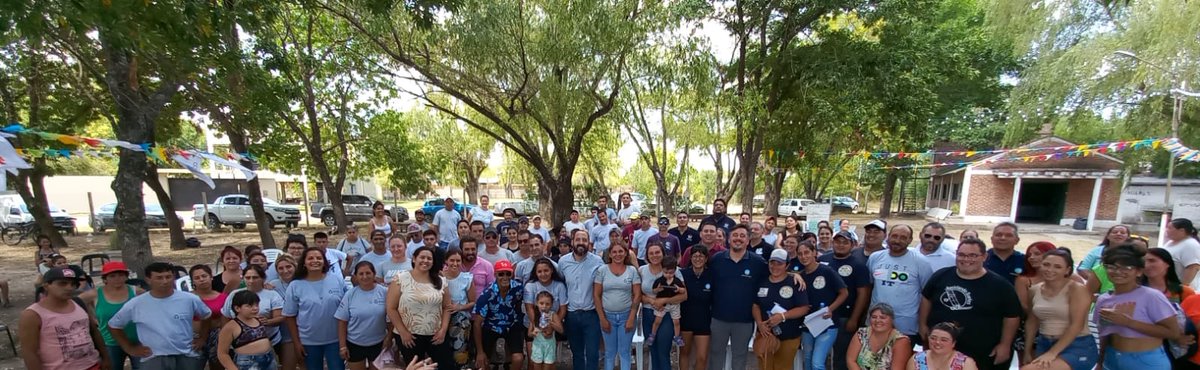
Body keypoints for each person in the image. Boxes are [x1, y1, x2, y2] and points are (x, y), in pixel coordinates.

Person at [921, 238, 1022, 370]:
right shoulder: (941, 276)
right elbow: (926, 299)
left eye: (973, 255)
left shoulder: (1000, 285)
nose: (966, 259)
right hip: (941, 346)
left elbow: (1012, 316)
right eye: (961, 255)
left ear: (984, 256)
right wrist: (922, 325)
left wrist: (1005, 345)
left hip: (982, 351)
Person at [110, 262, 213, 370]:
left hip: (186, 355)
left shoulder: (190, 299)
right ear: (148, 280)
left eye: (168, 277)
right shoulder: (136, 304)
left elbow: (206, 315)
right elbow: (114, 325)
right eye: (159, 278)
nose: (165, 281)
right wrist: (129, 348)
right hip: (153, 358)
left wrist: (202, 338)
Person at [1094, 244, 1182, 369]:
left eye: (1127, 267)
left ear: (1139, 271)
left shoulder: (1151, 296)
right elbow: (1105, 335)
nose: (1118, 272)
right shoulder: (1103, 299)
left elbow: (1173, 333)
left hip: (1145, 361)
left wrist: (1128, 322)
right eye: (1112, 266)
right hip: (1111, 359)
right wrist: (1100, 362)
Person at [1020, 249, 1097, 370]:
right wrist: (1027, 350)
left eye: (1057, 267)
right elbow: (1032, 322)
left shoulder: (1077, 289)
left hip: (1077, 344)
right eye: (1046, 264)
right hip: (1044, 342)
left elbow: (1077, 325)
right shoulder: (1034, 290)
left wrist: (1052, 353)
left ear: (1067, 270)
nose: (1050, 270)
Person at [19, 266, 107, 370]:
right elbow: (29, 352)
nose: (69, 288)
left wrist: (106, 358)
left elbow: (94, 331)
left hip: (93, 365)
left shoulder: (79, 304)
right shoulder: (33, 315)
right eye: (62, 283)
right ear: (46, 286)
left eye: (73, 284)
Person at [708, 224, 770, 370]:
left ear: (748, 240)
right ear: (729, 239)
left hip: (744, 320)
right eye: (735, 235)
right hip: (718, 318)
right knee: (716, 355)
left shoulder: (758, 262)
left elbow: (775, 275)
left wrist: (794, 276)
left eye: (742, 236)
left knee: (740, 357)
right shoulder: (717, 259)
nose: (738, 239)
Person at [387, 246, 453, 370]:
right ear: (414, 259)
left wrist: (443, 330)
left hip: (436, 335)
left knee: (446, 365)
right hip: (410, 336)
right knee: (416, 367)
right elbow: (391, 308)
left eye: (429, 258)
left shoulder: (441, 281)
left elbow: (447, 307)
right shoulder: (400, 279)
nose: (425, 261)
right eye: (422, 257)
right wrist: (403, 332)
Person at [284, 247, 349, 370]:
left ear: (324, 262)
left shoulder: (336, 279)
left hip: (335, 339)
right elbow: (290, 316)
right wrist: (297, 343)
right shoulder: (295, 285)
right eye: (310, 258)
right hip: (308, 341)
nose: (315, 261)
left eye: (319, 258)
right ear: (304, 263)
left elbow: (346, 308)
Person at [869, 224, 933, 345]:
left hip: (905, 325)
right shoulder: (875, 258)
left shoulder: (921, 262)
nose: (897, 241)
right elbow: (870, 286)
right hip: (876, 322)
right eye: (894, 236)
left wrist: (923, 324)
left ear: (910, 240)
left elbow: (927, 296)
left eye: (903, 237)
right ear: (888, 237)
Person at [751, 249, 811, 370]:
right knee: (764, 367)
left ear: (787, 265)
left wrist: (783, 316)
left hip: (789, 335)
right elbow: (755, 305)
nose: (775, 267)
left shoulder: (795, 282)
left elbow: (804, 308)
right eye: (772, 263)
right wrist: (759, 323)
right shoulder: (762, 281)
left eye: (780, 263)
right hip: (765, 335)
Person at [822, 231, 874, 370]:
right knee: (820, 355)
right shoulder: (822, 260)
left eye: (845, 242)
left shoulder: (859, 265)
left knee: (841, 354)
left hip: (844, 317)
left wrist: (854, 319)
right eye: (838, 241)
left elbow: (863, 294)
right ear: (832, 243)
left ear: (853, 245)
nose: (841, 245)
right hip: (821, 315)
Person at [78, 262, 143, 370]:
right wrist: (91, 318)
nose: (117, 279)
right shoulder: (95, 294)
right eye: (112, 276)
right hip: (109, 343)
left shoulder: (136, 292)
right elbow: (74, 303)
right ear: (105, 278)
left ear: (126, 276)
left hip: (137, 341)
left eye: (121, 275)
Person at [799, 240, 849, 370]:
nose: (803, 256)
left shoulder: (826, 271)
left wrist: (830, 309)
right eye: (800, 254)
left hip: (827, 323)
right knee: (807, 358)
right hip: (808, 324)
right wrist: (794, 275)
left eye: (807, 252)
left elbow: (844, 292)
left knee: (817, 363)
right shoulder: (801, 275)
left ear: (814, 253)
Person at [560, 229, 605, 370]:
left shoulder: (597, 261)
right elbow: (561, 284)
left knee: (592, 354)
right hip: (571, 315)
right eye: (578, 239)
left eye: (584, 240)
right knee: (577, 354)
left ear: (588, 243)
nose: (581, 243)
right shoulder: (563, 262)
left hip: (591, 314)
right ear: (572, 242)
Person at [219, 265, 284, 362]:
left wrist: (267, 322)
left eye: (255, 277)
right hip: (239, 345)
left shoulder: (272, 295)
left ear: (263, 278)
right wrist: (227, 335)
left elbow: (280, 318)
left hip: (269, 341)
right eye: (248, 277)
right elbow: (225, 315)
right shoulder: (234, 294)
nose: (251, 281)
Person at [592, 242, 641, 370]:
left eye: (620, 251)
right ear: (610, 254)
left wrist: (631, 318)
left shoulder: (632, 271)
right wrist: (602, 318)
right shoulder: (602, 270)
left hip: (626, 316)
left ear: (625, 253)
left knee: (625, 352)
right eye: (614, 252)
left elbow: (637, 295)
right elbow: (596, 295)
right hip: (607, 316)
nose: (617, 254)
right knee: (609, 353)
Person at [640, 243, 688, 370]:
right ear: (647, 255)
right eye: (651, 253)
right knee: (653, 350)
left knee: (663, 350)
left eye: (657, 252)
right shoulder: (642, 270)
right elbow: (637, 295)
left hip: (667, 314)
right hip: (648, 313)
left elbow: (684, 295)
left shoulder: (673, 270)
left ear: (663, 253)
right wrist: (652, 301)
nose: (654, 255)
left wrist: (664, 300)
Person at [1012, 241, 1061, 365]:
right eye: (1029, 254)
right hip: (1030, 329)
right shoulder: (1023, 280)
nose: (1031, 257)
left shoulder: (1069, 280)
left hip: (1059, 329)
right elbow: (1023, 306)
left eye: (1037, 254)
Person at [473, 259, 527, 370]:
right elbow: (477, 323)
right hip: (491, 326)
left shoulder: (519, 288)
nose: (505, 277)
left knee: (518, 359)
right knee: (482, 363)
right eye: (501, 274)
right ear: (495, 275)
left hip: (512, 325)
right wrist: (480, 352)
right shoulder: (487, 294)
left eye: (508, 274)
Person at [336, 261, 389, 370]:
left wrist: (389, 338)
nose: (365, 277)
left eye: (368, 273)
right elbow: (342, 321)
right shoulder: (350, 294)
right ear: (355, 276)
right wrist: (342, 346)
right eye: (361, 274)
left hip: (378, 343)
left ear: (374, 274)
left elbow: (391, 318)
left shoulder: (385, 292)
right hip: (354, 344)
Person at [216, 290, 275, 370]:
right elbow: (222, 353)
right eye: (249, 306)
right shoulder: (230, 327)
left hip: (269, 359)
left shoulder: (259, 320)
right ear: (237, 308)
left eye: (256, 305)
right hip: (248, 363)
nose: (255, 308)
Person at [847, 303, 913, 370]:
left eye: (882, 317)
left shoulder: (901, 340)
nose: (877, 320)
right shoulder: (861, 333)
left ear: (892, 320)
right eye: (874, 317)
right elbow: (851, 360)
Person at [189, 265, 229, 369]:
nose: (201, 280)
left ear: (211, 277)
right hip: (194, 337)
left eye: (204, 276)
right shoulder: (187, 298)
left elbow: (225, 320)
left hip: (216, 337)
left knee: (217, 366)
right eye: (197, 278)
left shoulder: (223, 297)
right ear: (192, 281)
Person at [443, 249, 478, 367]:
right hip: (441, 317)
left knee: (459, 353)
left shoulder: (467, 279)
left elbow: (473, 302)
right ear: (446, 261)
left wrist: (459, 307)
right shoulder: (439, 277)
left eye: (458, 261)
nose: (455, 263)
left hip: (460, 319)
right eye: (452, 260)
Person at [681, 246, 713, 370]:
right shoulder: (683, 274)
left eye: (701, 256)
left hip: (704, 321)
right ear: (690, 258)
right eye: (695, 256)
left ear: (706, 259)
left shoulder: (712, 275)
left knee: (702, 357)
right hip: (685, 320)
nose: (697, 259)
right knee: (684, 353)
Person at [266, 254, 299, 370]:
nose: (285, 271)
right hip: (286, 332)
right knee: (288, 365)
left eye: (288, 266)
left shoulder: (303, 282)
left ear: (295, 266)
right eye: (280, 268)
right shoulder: (273, 285)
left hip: (306, 331)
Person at [907, 322, 978, 370]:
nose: (937, 342)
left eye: (944, 340)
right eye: (933, 338)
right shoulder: (916, 359)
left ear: (953, 343)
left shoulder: (966, 363)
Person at [529, 291, 564, 370]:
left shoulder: (553, 315)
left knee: (547, 367)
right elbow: (529, 334)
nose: (544, 306)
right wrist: (533, 333)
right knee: (537, 366)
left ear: (551, 305)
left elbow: (561, 330)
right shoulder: (535, 315)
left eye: (547, 304)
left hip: (549, 346)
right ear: (537, 303)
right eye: (541, 303)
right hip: (537, 346)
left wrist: (551, 323)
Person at [1164, 218, 1200, 289]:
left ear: (1181, 231)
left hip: (1180, 288)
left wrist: (1183, 287)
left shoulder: (1190, 244)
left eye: (1169, 228)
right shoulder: (1170, 242)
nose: (1166, 230)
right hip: (1168, 285)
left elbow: (1193, 267)